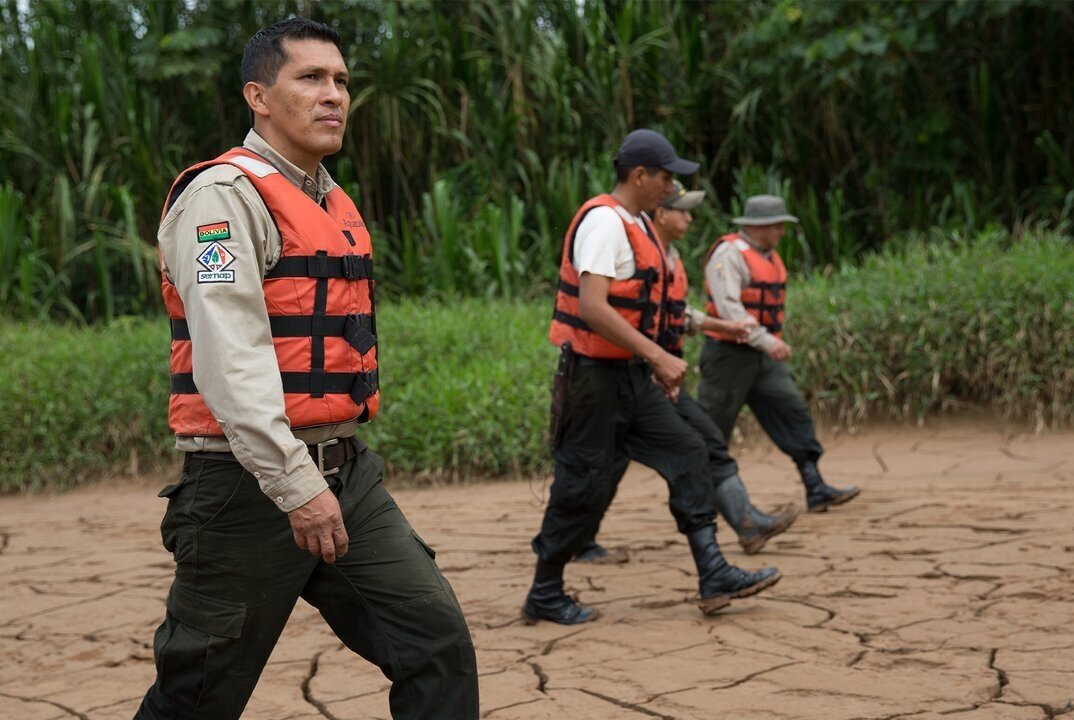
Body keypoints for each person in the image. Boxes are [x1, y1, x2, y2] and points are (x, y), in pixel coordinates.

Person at [136, 19, 478, 719]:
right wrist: (294, 485)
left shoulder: (328, 199)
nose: (335, 96)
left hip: (346, 475)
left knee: (435, 643)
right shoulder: (224, 197)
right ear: (258, 96)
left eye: (342, 81)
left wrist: (322, 481)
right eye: (312, 79)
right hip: (246, 487)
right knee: (197, 696)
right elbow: (228, 358)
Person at [527, 129, 781, 624]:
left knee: (689, 450)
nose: (670, 187)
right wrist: (659, 358)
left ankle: (713, 572)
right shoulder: (604, 222)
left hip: (629, 374)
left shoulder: (639, 226)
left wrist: (652, 362)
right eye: (665, 177)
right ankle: (545, 591)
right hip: (592, 380)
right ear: (639, 176)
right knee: (583, 483)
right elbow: (594, 308)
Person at [573, 181, 799, 561]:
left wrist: (721, 327)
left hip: (656, 380)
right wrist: (656, 361)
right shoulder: (636, 253)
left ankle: (743, 525)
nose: (690, 218)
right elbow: (623, 316)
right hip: (625, 379)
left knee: (704, 443)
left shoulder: (670, 258)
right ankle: (567, 555)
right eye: (684, 210)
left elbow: (677, 315)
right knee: (602, 466)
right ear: (661, 214)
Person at [698, 195, 861, 513]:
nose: (782, 233)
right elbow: (730, 308)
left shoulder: (768, 256)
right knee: (712, 429)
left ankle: (815, 486)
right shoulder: (729, 254)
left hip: (760, 356)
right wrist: (766, 341)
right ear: (760, 227)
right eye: (778, 226)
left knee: (792, 411)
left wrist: (764, 344)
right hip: (727, 356)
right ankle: (699, 500)